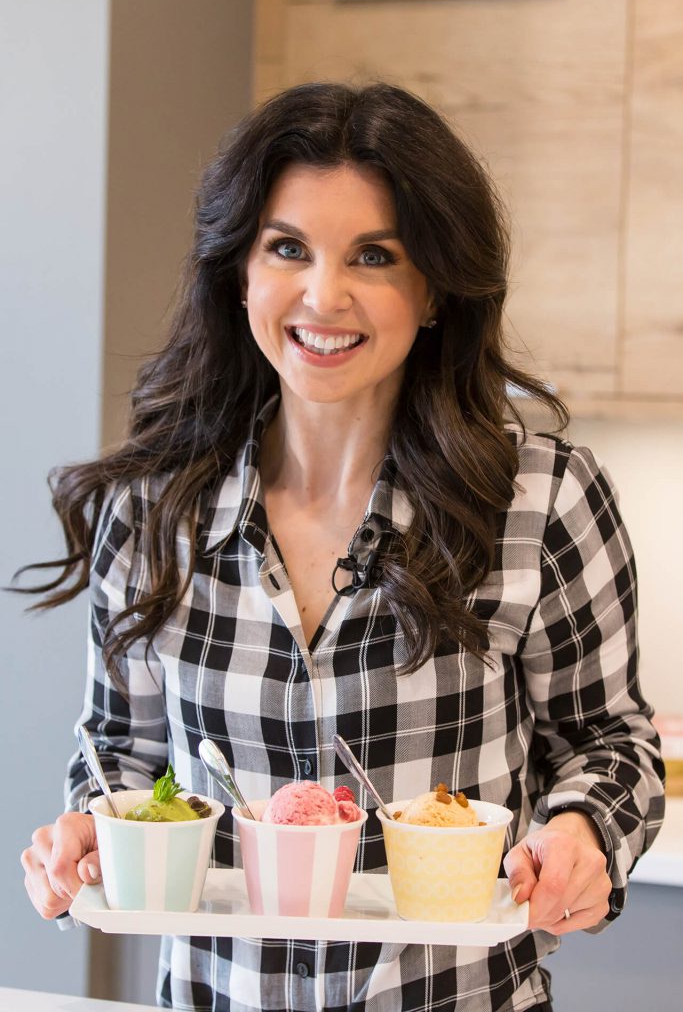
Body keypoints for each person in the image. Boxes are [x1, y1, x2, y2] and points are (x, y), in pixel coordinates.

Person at [19, 82, 664, 1012]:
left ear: (435, 287)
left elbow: (609, 742)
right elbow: (120, 751)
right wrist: (90, 826)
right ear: (238, 271)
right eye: (288, 248)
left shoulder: (540, 498)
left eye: (374, 255)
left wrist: (583, 834)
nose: (324, 295)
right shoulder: (154, 509)